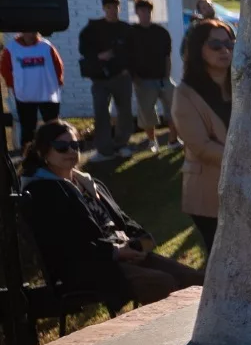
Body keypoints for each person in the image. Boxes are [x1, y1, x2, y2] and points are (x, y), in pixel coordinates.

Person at [21, 120, 204, 309]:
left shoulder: (88, 183)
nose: (70, 151)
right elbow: (71, 244)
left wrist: (139, 242)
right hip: (90, 269)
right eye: (61, 146)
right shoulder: (42, 191)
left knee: (197, 280)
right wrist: (116, 252)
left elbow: (121, 219)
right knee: (163, 283)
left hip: (122, 255)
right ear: (43, 152)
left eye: (75, 145)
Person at [171, 18, 235, 254]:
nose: (225, 51)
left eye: (230, 44)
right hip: (207, 194)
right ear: (199, 49)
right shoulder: (185, 93)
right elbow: (200, 146)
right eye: (216, 45)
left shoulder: (244, 87)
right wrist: (248, 159)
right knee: (223, 260)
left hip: (246, 187)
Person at [78, 0, 135, 162]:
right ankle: (104, 149)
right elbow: (83, 48)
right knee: (101, 111)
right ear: (104, 8)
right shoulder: (93, 29)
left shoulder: (126, 29)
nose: (112, 10)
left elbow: (135, 52)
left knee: (124, 111)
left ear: (120, 8)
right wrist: (98, 56)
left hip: (121, 77)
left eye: (115, 7)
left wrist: (128, 70)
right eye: (109, 7)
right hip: (100, 78)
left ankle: (122, 144)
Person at [125, 0, 178, 152]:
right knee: (147, 112)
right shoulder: (132, 33)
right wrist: (134, 77)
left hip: (163, 78)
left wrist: (167, 75)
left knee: (173, 109)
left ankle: (173, 140)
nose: (145, 14)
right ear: (137, 13)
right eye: (142, 11)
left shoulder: (161, 32)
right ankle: (151, 141)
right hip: (143, 80)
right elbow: (128, 57)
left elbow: (167, 56)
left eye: (148, 11)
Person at [1, 31, 64, 149]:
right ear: (22, 33)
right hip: (25, 95)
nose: (32, 35)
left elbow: (58, 65)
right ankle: (28, 156)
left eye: (34, 32)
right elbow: (5, 69)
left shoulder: (46, 46)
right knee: (28, 128)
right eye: (29, 32)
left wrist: (58, 82)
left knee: (53, 125)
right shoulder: (12, 48)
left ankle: (57, 150)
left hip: (47, 94)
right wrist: (13, 85)